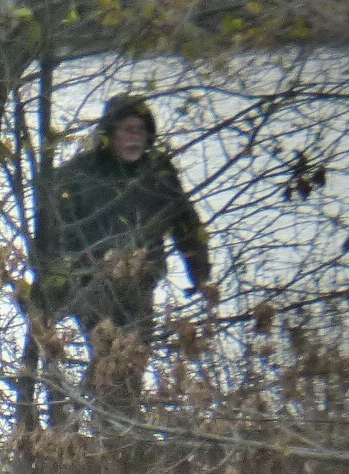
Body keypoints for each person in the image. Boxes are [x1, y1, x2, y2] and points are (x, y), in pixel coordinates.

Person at [33, 94, 216, 408]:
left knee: (131, 364)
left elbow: (185, 223)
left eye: (141, 130)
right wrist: (52, 289)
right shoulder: (78, 174)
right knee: (114, 363)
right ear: (109, 134)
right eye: (127, 129)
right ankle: (110, 432)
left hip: (140, 285)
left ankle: (107, 428)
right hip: (91, 285)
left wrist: (200, 273)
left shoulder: (157, 173)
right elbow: (52, 235)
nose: (135, 137)